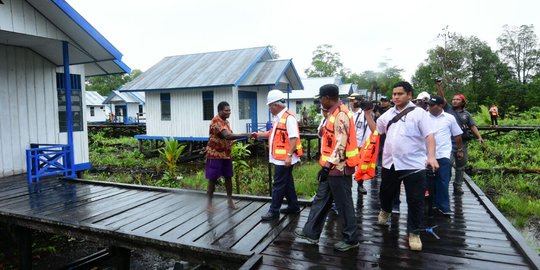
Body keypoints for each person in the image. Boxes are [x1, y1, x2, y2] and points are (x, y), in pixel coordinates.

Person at [294, 84, 360, 252]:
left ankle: (351, 239)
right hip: (330, 167)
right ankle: (311, 233)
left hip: (339, 167)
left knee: (344, 205)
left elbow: (340, 144)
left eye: (321, 98)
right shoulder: (332, 113)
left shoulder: (342, 114)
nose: (320, 101)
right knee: (320, 201)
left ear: (328, 98)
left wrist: (327, 167)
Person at [376, 81, 439, 251]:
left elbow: (429, 136)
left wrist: (431, 156)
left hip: (413, 164)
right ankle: (386, 209)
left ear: (409, 95)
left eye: (400, 94)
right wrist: (368, 113)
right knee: (385, 192)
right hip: (390, 162)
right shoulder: (388, 113)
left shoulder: (420, 114)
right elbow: (377, 130)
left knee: (415, 199)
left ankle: (414, 233)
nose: (396, 97)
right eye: (394, 94)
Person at [252, 90, 303, 221]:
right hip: (280, 157)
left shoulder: (289, 118)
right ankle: (293, 206)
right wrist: (259, 135)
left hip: (284, 158)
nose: (269, 109)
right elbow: (272, 133)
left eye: (270, 106)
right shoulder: (279, 118)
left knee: (278, 184)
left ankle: (274, 211)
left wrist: (289, 156)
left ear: (276, 105)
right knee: (287, 183)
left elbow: (294, 138)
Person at [437, 81, 485, 195]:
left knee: (461, 166)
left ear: (463, 102)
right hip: (449, 143)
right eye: (453, 99)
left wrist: (479, 137)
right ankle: (444, 185)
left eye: (457, 99)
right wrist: (439, 86)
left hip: (462, 143)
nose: (454, 101)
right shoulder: (448, 109)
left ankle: (457, 186)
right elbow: (441, 98)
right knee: (447, 164)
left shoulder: (466, 114)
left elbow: (472, 126)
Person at [206, 101, 250, 211]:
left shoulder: (226, 122)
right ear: (220, 111)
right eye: (226, 110)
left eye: (229, 110)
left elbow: (230, 135)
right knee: (213, 179)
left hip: (226, 155)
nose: (229, 112)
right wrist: (246, 134)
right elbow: (228, 136)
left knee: (228, 177)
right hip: (215, 155)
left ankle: (230, 201)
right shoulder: (216, 121)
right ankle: (209, 204)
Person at [427, 95, 464, 216]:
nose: (429, 107)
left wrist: (460, 150)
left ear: (440, 106)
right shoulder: (423, 117)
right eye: (428, 105)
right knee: (426, 182)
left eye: (432, 105)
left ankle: (443, 206)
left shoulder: (449, 118)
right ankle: (428, 204)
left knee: (443, 180)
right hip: (426, 155)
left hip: (443, 154)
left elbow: (457, 135)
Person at [347, 93, 376, 194]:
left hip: (360, 146)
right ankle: (348, 185)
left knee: (361, 166)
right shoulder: (347, 113)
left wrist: (367, 146)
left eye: (353, 100)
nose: (351, 103)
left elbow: (369, 130)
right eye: (350, 101)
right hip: (349, 146)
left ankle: (360, 184)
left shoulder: (364, 114)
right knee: (348, 166)